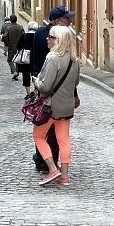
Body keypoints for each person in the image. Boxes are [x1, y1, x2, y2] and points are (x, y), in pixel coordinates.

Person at [33, 25, 81, 187]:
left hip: (50, 107)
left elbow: (45, 87)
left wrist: (36, 81)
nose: (47, 39)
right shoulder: (74, 59)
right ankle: (65, 177)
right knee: (64, 140)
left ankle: (53, 168)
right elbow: (75, 83)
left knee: (38, 136)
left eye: (51, 37)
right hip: (66, 107)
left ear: (59, 41)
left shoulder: (52, 58)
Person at [16, 21, 38, 94]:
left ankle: (28, 93)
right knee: (35, 75)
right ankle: (35, 91)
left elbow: (18, 46)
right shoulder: (37, 36)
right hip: (35, 58)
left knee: (26, 75)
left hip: (25, 59)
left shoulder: (24, 35)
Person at [2, 14, 24, 81]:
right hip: (19, 46)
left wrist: (7, 43)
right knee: (17, 60)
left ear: (10, 20)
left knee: (9, 60)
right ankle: (16, 74)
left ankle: (14, 72)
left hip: (11, 46)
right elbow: (23, 35)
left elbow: (4, 36)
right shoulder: (20, 27)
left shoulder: (8, 28)